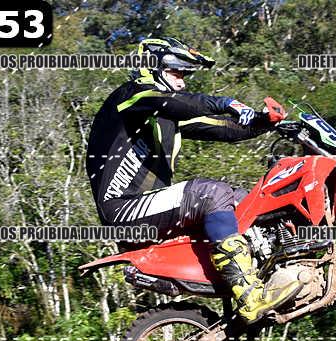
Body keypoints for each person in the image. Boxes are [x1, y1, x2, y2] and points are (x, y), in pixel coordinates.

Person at [86, 37, 301, 323]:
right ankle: (249, 295)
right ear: (152, 67)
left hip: (151, 210)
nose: (182, 82)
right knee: (210, 193)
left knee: (249, 201)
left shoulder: (167, 114)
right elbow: (178, 104)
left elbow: (223, 128)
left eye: (184, 75)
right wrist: (226, 102)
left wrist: (265, 122)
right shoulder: (130, 95)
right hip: (124, 211)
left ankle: (278, 271)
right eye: (176, 73)